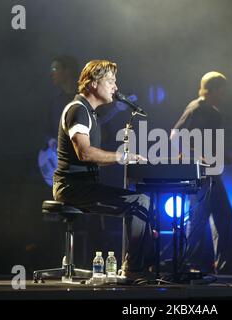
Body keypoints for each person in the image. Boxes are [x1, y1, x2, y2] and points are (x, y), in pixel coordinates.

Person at [52, 59, 154, 277]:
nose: (115, 87)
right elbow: (85, 153)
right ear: (93, 84)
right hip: (71, 188)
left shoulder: (90, 112)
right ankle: (133, 270)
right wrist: (121, 157)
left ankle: (138, 266)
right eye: (110, 81)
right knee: (140, 201)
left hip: (83, 187)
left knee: (139, 201)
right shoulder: (78, 110)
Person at [171, 71, 232, 274]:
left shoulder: (212, 113)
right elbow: (175, 137)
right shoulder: (197, 108)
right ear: (214, 90)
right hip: (199, 174)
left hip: (211, 174)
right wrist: (197, 155)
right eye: (223, 91)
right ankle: (189, 265)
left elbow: (215, 151)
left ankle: (220, 267)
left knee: (222, 215)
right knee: (200, 217)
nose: (225, 96)